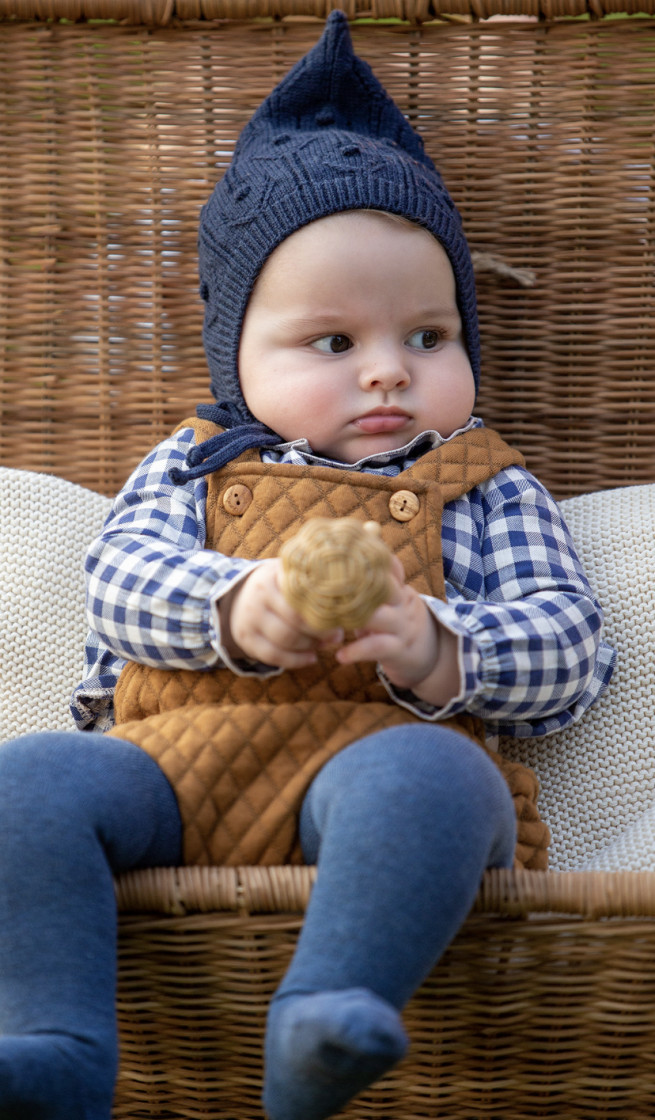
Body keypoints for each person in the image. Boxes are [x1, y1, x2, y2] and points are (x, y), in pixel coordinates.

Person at [0, 13, 615, 1120]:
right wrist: (237, 605)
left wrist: (439, 642)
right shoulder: (192, 462)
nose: (388, 375)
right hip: (170, 778)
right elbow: (119, 581)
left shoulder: (484, 482)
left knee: (443, 783)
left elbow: (571, 647)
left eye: (428, 337)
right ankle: (53, 1037)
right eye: (334, 343)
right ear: (237, 355)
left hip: (371, 773)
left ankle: (324, 1018)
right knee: (28, 779)